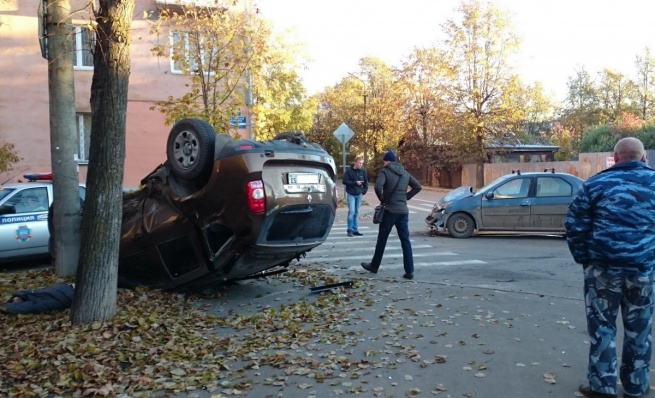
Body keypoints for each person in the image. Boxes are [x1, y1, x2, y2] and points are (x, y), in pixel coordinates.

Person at [565, 137, 655, 398]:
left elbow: (575, 225)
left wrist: (585, 259)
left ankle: (602, 386)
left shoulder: (595, 184)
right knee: (640, 328)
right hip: (642, 270)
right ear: (643, 158)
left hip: (602, 270)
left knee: (602, 326)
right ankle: (636, 387)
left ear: (615, 158)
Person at [361, 150, 421, 279]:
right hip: (403, 212)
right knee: (405, 241)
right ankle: (409, 271)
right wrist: (406, 197)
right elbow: (417, 187)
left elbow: (378, 187)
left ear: (387, 161)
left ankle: (374, 266)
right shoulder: (405, 172)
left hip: (389, 211)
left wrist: (383, 200)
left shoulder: (385, 171)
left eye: (384, 161)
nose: (384, 164)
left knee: (382, 239)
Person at [342, 157, 368, 237]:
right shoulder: (349, 171)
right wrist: (355, 183)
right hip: (351, 194)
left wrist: (364, 191)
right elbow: (344, 181)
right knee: (352, 212)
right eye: (359, 163)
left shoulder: (363, 171)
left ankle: (355, 230)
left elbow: (366, 182)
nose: (361, 165)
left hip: (359, 194)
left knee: (356, 213)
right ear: (355, 163)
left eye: (362, 163)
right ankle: (349, 230)